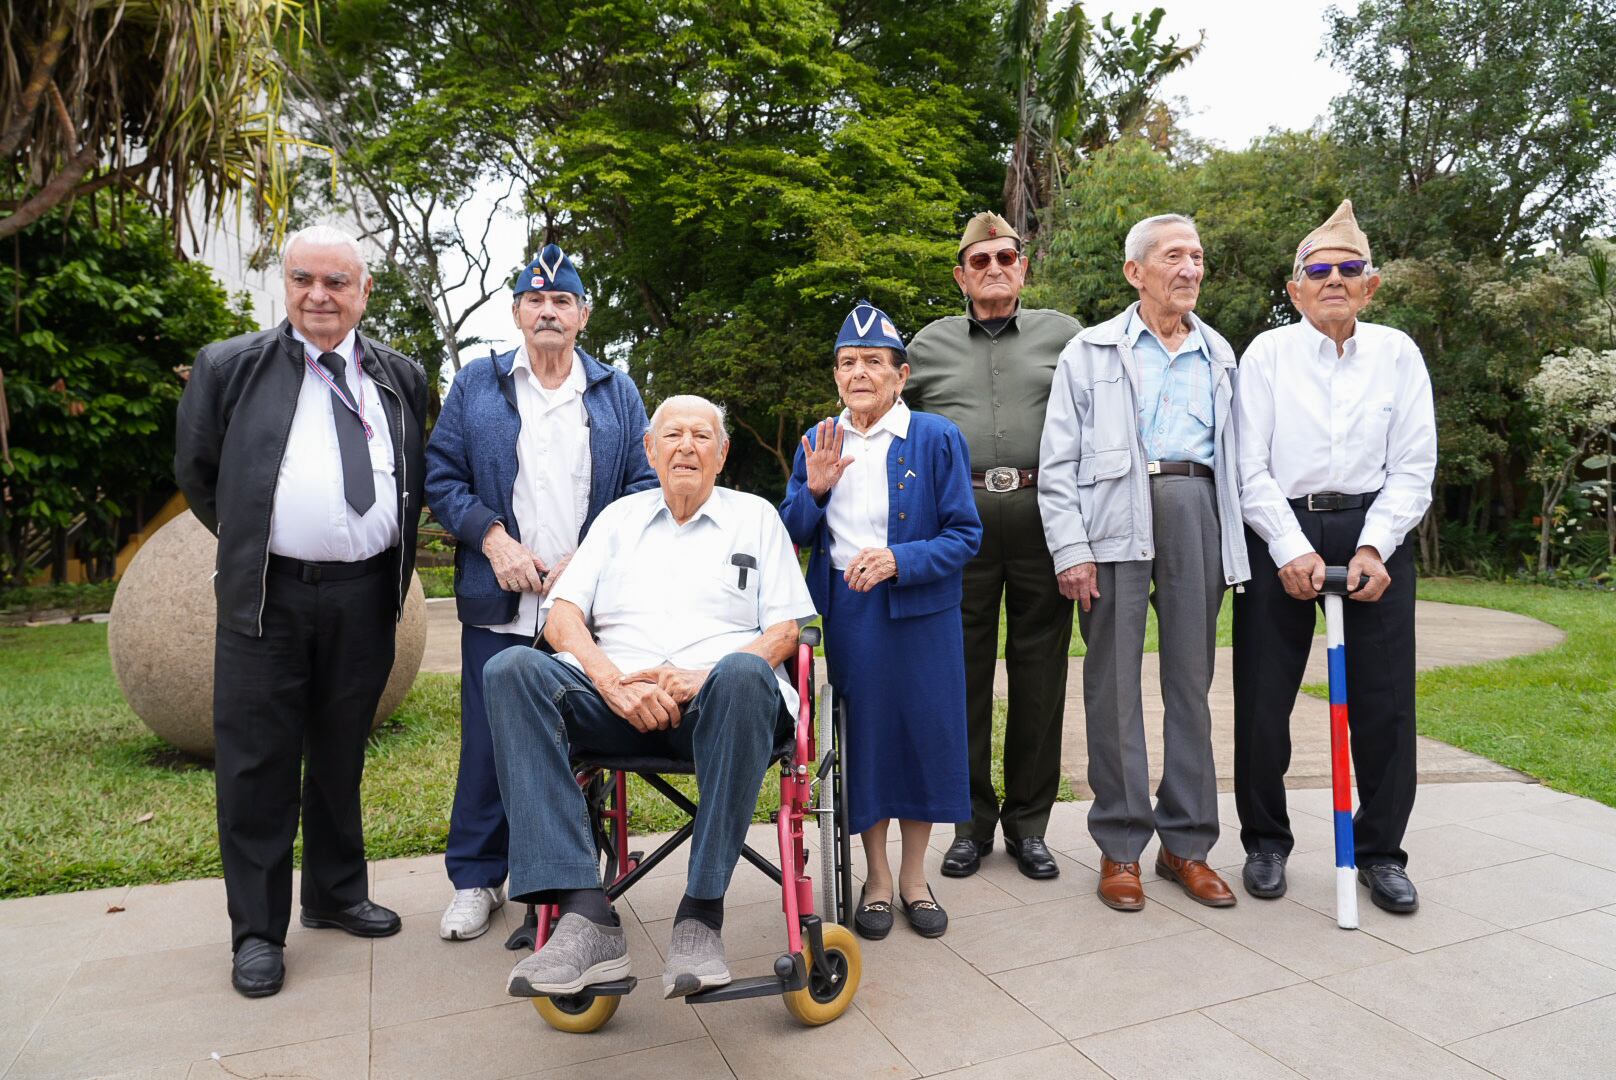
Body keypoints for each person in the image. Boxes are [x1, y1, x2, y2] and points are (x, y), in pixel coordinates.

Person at [484, 394, 817, 1002]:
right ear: (650, 449)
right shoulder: (617, 519)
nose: (686, 446)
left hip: (721, 705)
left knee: (745, 674)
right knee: (510, 670)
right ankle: (587, 915)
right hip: (617, 700)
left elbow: (787, 630)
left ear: (722, 453)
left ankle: (701, 914)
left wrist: (703, 675)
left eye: (701, 436)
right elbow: (561, 617)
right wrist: (611, 683)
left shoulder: (756, 518)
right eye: (672, 435)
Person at [174, 225, 428, 998]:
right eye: (303, 279)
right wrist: (263, 542)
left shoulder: (401, 376)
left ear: (364, 292)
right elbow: (199, 475)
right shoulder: (229, 368)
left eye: (336, 281)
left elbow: (411, 474)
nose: (319, 295)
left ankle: (336, 892)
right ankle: (257, 932)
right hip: (268, 597)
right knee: (257, 765)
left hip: (365, 595)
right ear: (285, 285)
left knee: (341, 753)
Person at [424, 243, 656, 942]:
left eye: (562, 301)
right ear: (517, 312)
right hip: (499, 599)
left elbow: (643, 486)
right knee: (489, 744)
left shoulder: (616, 390)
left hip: (586, 609)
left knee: (578, 744)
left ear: (583, 315)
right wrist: (493, 540)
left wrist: (589, 555)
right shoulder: (478, 383)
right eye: (536, 300)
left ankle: (565, 886)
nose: (548, 311)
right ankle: (476, 879)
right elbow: (441, 475)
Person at [1038, 215, 1250, 912]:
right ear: (1136, 272)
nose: (1190, 269)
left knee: (1191, 683)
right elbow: (1057, 461)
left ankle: (1186, 845)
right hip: (1112, 519)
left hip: (1196, 505)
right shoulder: (1090, 350)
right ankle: (1121, 845)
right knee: (1112, 687)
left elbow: (1239, 457)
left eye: (1198, 256)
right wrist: (1071, 548)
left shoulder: (1219, 353)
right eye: (1174, 256)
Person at [1233, 199, 1436, 913]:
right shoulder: (1267, 354)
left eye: (1350, 269)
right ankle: (1265, 842)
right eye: (1318, 272)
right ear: (1296, 289)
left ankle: (1381, 854)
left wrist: (1377, 545)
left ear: (1370, 286)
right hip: (1280, 528)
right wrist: (1288, 547)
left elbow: (1414, 466)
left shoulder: (1397, 353)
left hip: (1374, 529)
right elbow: (1248, 466)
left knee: (1385, 706)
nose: (1335, 281)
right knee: (1263, 702)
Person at [779, 302, 981, 940]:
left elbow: (965, 535)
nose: (858, 373)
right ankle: (876, 879)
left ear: (902, 375)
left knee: (924, 739)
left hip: (924, 612)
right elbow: (790, 532)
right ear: (836, 375)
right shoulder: (819, 439)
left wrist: (899, 559)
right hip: (852, 613)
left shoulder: (936, 437)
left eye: (873, 362)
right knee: (867, 741)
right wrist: (813, 490)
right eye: (847, 363)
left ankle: (915, 878)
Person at [905, 211, 1082, 881]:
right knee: (962, 676)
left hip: (1044, 520)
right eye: (980, 261)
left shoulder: (1064, 336)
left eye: (1006, 257)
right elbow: (888, 422)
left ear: (1022, 267)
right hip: (959, 530)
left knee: (1040, 677)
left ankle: (1030, 825)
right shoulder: (929, 344)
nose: (995, 268)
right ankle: (970, 825)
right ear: (961, 275)